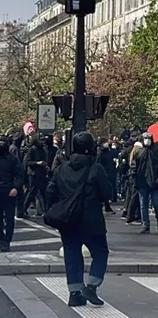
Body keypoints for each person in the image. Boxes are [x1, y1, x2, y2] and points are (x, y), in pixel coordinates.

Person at [46, 131, 112, 307]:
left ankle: (74, 293)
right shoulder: (96, 169)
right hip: (91, 219)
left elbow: (50, 192)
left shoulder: (61, 169)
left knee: (72, 253)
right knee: (100, 252)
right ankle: (91, 285)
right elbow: (107, 193)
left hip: (68, 220)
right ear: (91, 148)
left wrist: (57, 208)